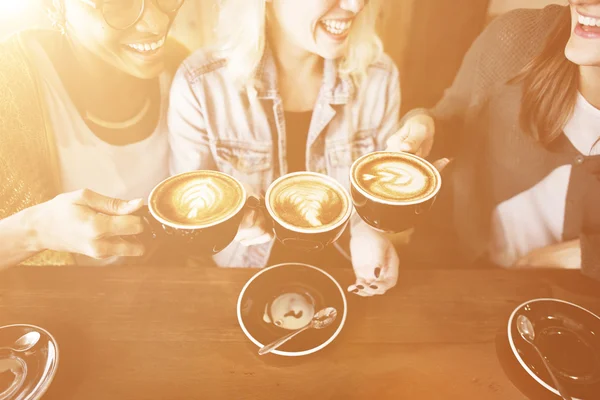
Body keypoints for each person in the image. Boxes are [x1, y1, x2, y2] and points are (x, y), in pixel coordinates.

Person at [168, 0, 426, 296]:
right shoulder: (200, 84)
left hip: (345, 270)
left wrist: (370, 230)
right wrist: (228, 221)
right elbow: (189, 216)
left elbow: (378, 195)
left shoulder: (378, 77)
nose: (354, 6)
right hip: (241, 276)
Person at [389, 0, 600, 279]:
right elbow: (452, 118)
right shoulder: (516, 37)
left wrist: (586, 255)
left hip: (574, 302)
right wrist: (424, 126)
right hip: (456, 273)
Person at [0, 0, 188, 268]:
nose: (157, 24)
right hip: (62, 306)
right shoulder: (7, 87)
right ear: (54, 7)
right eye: (120, 4)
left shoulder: (185, 71)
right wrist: (36, 231)